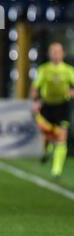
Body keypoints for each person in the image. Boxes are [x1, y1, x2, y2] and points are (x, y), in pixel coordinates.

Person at [31, 42, 74, 178]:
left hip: (62, 106)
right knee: (47, 136)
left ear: (63, 54)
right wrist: (35, 102)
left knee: (62, 136)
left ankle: (57, 170)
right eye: (53, 51)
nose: (55, 54)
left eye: (58, 51)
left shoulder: (68, 70)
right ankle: (47, 150)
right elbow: (35, 87)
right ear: (49, 54)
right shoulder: (43, 69)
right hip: (47, 106)